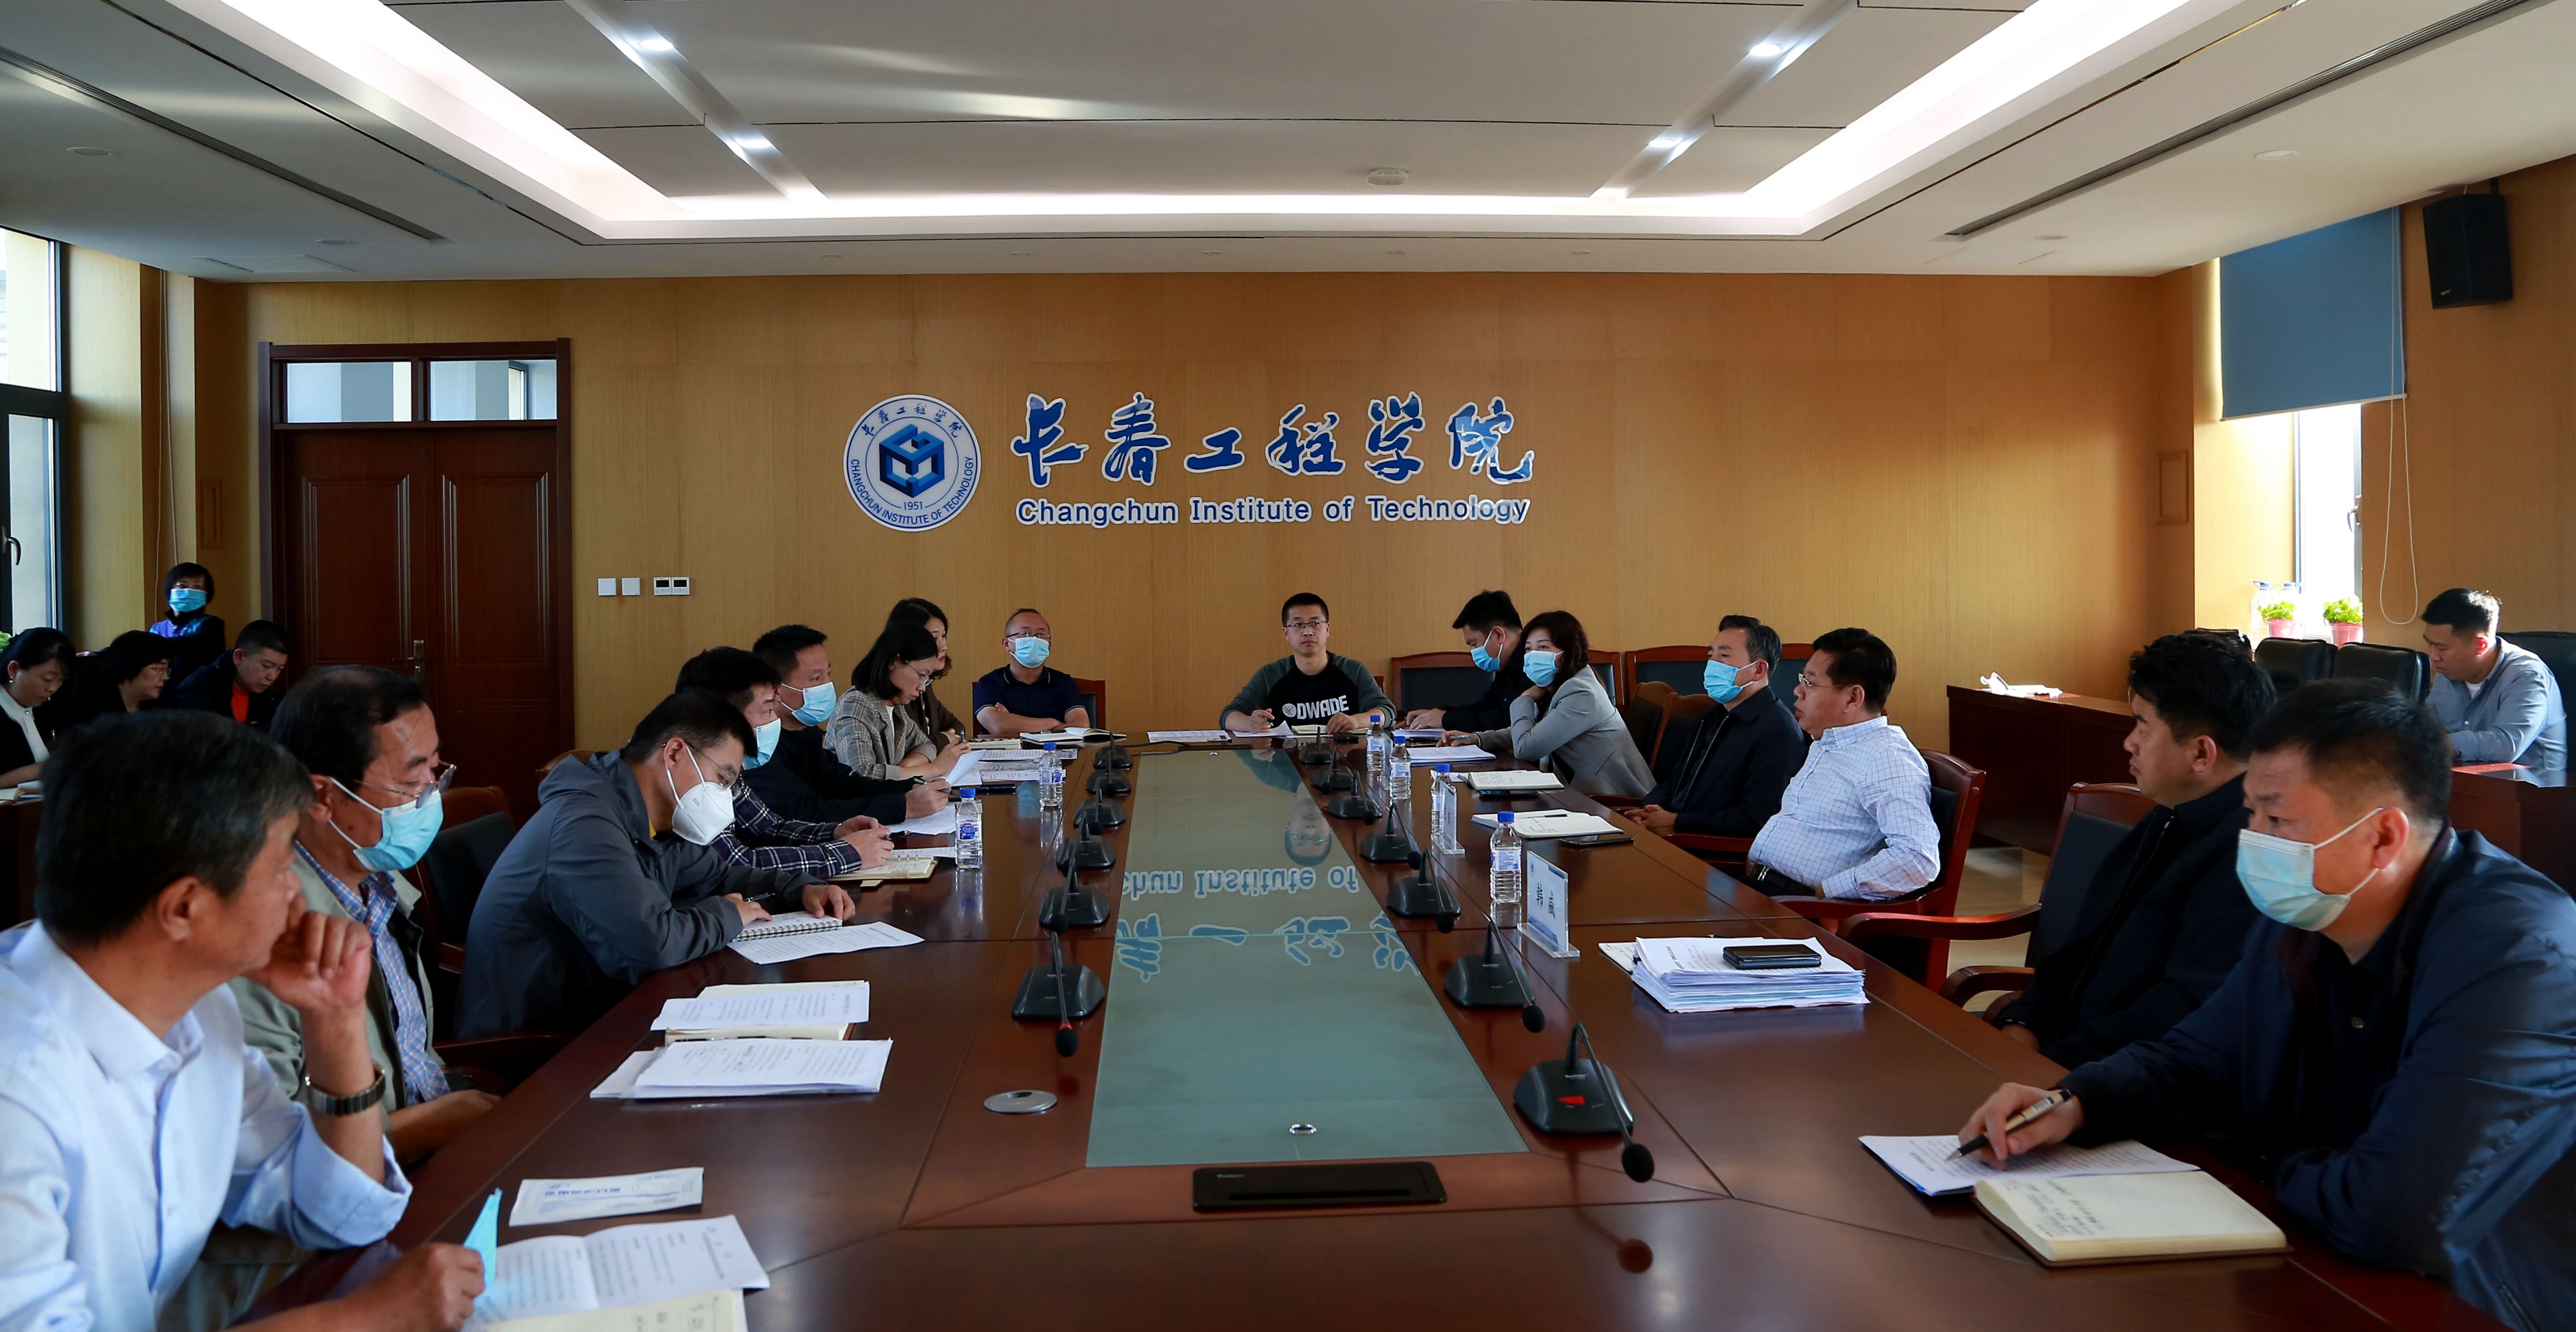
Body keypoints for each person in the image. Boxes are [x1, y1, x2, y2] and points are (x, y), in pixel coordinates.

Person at [1960, 681, 2576, 1332]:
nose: (2253, 841)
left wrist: (2260, 1161)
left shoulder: (2520, 958)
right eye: (2250, 814)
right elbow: (2196, 1058)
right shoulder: (2310, 911)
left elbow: (2393, 1215)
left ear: (2382, 837)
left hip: (2473, 1296)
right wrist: (2076, 1102)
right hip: (2313, 1253)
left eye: (2277, 821)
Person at [0, 712, 484, 1331]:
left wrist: (334, 1017)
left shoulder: (199, 1012)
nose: (297, 893)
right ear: (185, 908)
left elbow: (344, 1213)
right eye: (282, 868)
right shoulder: (19, 1091)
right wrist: (361, 1320)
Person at [460, 690, 855, 1038]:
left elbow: (719, 877)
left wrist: (799, 888)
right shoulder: (585, 824)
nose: (725, 795)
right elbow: (652, 943)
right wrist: (728, 915)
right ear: (675, 753)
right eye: (723, 778)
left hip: (607, 1008)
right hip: (541, 1042)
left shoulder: (653, 820)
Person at [231, 664, 499, 1166]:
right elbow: (265, 1154)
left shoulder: (379, 885)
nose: (430, 795)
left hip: (434, 1143)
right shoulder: (265, 936)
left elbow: (413, 1058)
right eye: (411, 780)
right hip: (366, 1183)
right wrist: (429, 1128)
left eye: (435, 770)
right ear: (323, 797)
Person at [1988, 633, 2274, 1066]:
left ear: (2202, 753)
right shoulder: (2168, 816)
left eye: (2143, 727)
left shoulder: (2248, 854)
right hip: (2062, 1060)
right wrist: (2023, 1022)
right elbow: (2083, 949)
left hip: (2114, 1079)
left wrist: (2052, 1067)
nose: (2129, 743)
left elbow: (2179, 1011)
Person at [1742, 627, 1940, 900]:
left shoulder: (1887, 758)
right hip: (1759, 888)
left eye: (1810, 683)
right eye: (1802, 679)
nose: (1798, 691)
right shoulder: (1829, 742)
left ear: (1853, 698)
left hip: (1799, 905)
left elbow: (1917, 859)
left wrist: (1831, 891)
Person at [675, 647, 892, 879]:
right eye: (768, 709)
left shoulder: (726, 769)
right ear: (722, 718)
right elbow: (736, 864)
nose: (775, 719)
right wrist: (846, 854)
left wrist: (835, 832)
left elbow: (768, 827)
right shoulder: (688, 776)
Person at [747, 624, 944, 826]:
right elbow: (806, 812)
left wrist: (910, 788)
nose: (827, 685)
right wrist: (904, 807)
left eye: (828, 674)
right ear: (776, 689)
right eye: (816, 678)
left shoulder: (806, 731)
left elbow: (845, 784)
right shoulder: (760, 746)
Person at [1628, 615, 1806, 837]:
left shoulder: (1778, 731)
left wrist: (1678, 823)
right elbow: (1676, 779)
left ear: (1759, 670)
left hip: (1704, 845)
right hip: (1671, 832)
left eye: (1724, 656)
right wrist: (1649, 810)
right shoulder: (1711, 716)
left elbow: (1758, 818)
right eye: (1711, 656)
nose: (1712, 665)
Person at [1446, 610, 1652, 796]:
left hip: (1616, 800)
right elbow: (1536, 732)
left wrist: (1525, 699)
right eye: (1528, 649)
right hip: (1581, 795)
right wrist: (1477, 739)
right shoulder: (1561, 684)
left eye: (1543, 647)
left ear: (1569, 651)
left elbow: (1527, 748)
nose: (1533, 655)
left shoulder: (1581, 692)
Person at [2421, 587, 2566, 770]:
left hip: (2532, 784)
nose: (2434, 656)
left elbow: (2506, 745)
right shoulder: (2448, 671)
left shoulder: (2527, 675)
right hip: (2465, 778)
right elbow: (2427, 726)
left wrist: (2434, 743)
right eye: (2430, 645)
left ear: (2481, 646)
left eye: (2442, 648)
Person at [1221, 593, 1393, 735]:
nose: (1308, 631)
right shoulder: (1270, 675)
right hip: (1286, 762)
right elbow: (1228, 716)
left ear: (1327, 629)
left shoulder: (1354, 671)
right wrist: (1250, 724)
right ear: (1286, 633)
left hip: (1345, 760)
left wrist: (1356, 721)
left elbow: (1386, 712)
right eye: (1298, 625)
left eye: (1315, 623)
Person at [827, 625, 967, 782]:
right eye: (921, 675)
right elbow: (863, 775)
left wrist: (905, 767)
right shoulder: (856, 705)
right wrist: (935, 769)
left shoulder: (895, 707)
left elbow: (926, 745)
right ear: (894, 661)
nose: (922, 688)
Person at [1402, 590, 1532, 732]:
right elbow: (1486, 708)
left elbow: (1505, 720)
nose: (1473, 652)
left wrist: (1446, 719)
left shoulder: (1532, 666)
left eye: (1474, 644)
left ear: (1498, 635)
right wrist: (1440, 714)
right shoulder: (1505, 665)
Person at [972, 608, 1092, 737]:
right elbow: (999, 726)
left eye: (1041, 635)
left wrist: (1014, 723)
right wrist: (1054, 723)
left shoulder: (1064, 682)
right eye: (1026, 634)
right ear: (1007, 644)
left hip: (1055, 751)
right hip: (1005, 751)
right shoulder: (989, 684)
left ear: (1049, 645)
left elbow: (1082, 726)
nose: (1034, 640)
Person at [170, 619, 293, 731]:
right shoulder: (199, 688)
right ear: (239, 657)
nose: (272, 677)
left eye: (279, 669)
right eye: (266, 666)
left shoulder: (263, 694)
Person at [54, 629, 176, 732]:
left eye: (167, 670)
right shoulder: (93, 711)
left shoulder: (156, 708)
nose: (165, 677)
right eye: (159, 669)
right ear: (131, 665)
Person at [885, 597, 968, 743]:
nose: (944, 646)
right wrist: (945, 739)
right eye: (934, 638)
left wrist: (943, 739)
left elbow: (957, 726)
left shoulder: (925, 685)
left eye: (944, 636)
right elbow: (910, 746)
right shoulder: (899, 690)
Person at [0, 628, 73, 785]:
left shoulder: (44, 708)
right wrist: (38, 770)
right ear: (14, 670)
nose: (53, 688)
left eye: (61, 680)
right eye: (48, 679)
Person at [149, 561, 230, 683]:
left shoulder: (212, 625)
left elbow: (200, 644)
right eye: (182, 586)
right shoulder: (157, 629)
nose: (189, 592)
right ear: (170, 590)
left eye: (197, 587)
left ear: (206, 593)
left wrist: (156, 644)